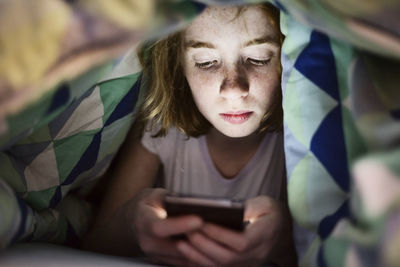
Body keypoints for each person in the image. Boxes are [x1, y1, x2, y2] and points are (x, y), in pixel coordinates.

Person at [83, 3, 298, 267]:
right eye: (206, 63)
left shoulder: (295, 142)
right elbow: (94, 246)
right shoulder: (160, 129)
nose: (233, 89)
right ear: (180, 68)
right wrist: (131, 222)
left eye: (258, 59)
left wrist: (285, 239)